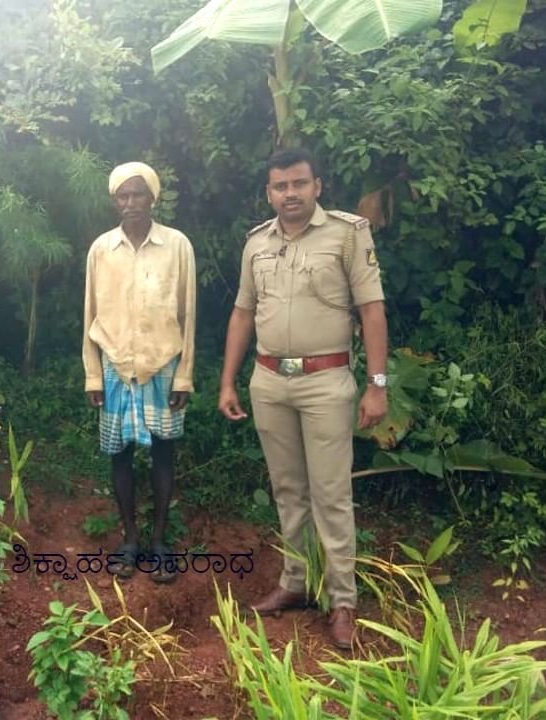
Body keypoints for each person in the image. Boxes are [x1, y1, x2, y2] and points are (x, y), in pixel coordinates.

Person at [217, 147, 389, 650]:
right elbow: (242, 314)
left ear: (317, 186)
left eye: (298, 184)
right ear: (269, 192)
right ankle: (296, 582)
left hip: (326, 381)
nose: (289, 194)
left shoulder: (347, 234)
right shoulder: (256, 243)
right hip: (269, 381)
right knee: (288, 489)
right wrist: (229, 381)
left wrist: (377, 387)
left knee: (331, 494)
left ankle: (342, 600)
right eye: (280, 186)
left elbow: (372, 311)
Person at [82, 161, 197, 584]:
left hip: (162, 363)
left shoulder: (177, 246)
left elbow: (188, 313)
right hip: (115, 365)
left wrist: (184, 375)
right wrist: (93, 374)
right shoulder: (101, 250)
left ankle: (161, 539)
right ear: (115, 200)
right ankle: (130, 537)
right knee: (120, 454)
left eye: (138, 194)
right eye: (122, 196)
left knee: (164, 451)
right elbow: (90, 316)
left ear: (153, 197)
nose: (130, 203)